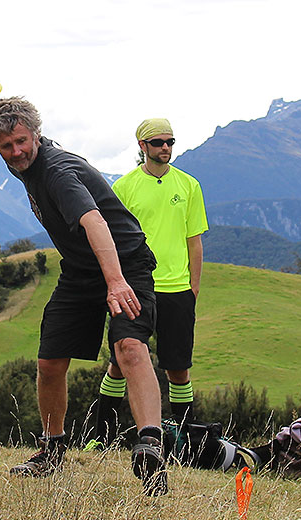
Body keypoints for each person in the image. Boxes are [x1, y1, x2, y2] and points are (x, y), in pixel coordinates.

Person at [0, 96, 167, 496]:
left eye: (21, 142)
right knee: (50, 361)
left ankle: (150, 446)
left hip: (125, 262)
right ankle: (52, 451)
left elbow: (94, 222)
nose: (15, 151)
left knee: (130, 348)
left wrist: (117, 281)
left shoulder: (57, 171)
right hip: (80, 270)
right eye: (6, 146)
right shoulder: (18, 155)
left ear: (36, 135)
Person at [88, 118, 208, 449]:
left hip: (177, 291)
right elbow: (108, 239)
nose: (166, 148)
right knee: (119, 362)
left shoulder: (189, 186)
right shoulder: (123, 187)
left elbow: (194, 241)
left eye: (170, 141)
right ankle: (103, 440)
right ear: (142, 146)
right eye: (158, 142)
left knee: (179, 369)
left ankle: (186, 446)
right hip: (135, 288)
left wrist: (193, 288)